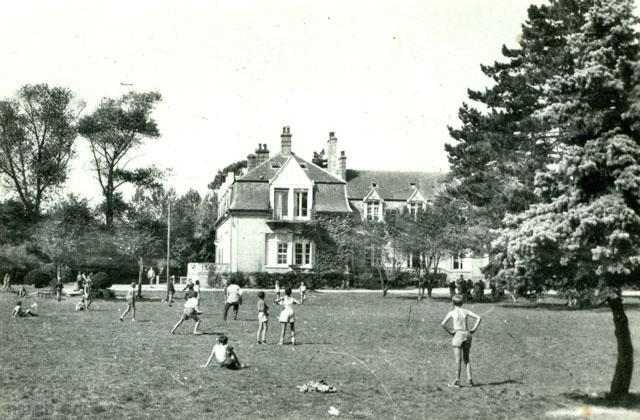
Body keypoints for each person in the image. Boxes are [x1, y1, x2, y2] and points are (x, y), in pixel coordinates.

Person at [440, 295, 482, 388]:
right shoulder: (466, 311)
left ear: (453, 303)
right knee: (466, 359)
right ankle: (470, 379)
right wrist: (474, 329)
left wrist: (450, 332)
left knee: (458, 360)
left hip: (458, 335)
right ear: (462, 303)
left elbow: (443, 324)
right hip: (467, 334)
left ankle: (457, 380)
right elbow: (479, 318)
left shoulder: (452, 312)